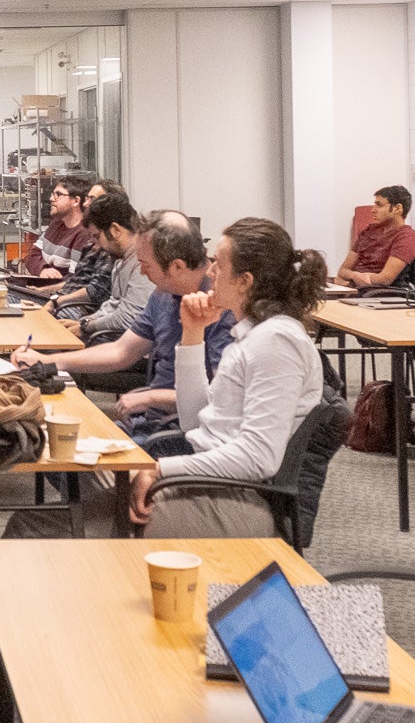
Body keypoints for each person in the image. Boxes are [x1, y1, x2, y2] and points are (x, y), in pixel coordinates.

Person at [126, 218, 329, 538]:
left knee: (73, 518)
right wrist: (193, 333)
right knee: (86, 490)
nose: (209, 272)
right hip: (205, 481)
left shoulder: (276, 343)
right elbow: (195, 422)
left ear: (244, 281)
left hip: (231, 498)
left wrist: (160, 468)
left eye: (218, 265)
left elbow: (258, 458)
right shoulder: (252, 335)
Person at [12, 211, 231, 434]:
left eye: (146, 265)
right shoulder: (162, 296)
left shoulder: (221, 310)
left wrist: (151, 397)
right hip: (153, 420)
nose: (143, 272)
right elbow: (121, 351)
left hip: (184, 432)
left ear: (176, 266)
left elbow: (219, 398)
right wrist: (47, 362)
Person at [62, 189, 155, 342]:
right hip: (114, 338)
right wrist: (83, 322)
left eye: (97, 237)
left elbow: (128, 319)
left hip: (128, 346)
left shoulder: (142, 263)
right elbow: (113, 305)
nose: (96, 245)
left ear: (115, 230)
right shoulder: (121, 259)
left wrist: (86, 327)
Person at [46, 181, 123, 320]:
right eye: (87, 198)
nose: (86, 203)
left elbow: (96, 291)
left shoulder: (111, 245)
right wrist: (43, 291)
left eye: (92, 199)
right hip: (65, 301)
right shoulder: (92, 241)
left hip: (78, 308)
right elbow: (75, 280)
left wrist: (56, 301)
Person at [333, 185, 415, 289]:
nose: (373, 210)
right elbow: (342, 271)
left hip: (379, 293)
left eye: (379, 205)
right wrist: (356, 277)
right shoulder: (369, 230)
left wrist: (350, 282)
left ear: (397, 208)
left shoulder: (406, 236)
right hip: (357, 288)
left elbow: (385, 279)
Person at [26, 176, 94, 276]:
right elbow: (31, 256)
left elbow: (75, 279)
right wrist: (43, 270)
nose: (51, 198)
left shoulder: (84, 234)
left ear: (76, 201)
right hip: (44, 287)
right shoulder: (56, 223)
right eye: (53, 194)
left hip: (59, 290)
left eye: (58, 194)